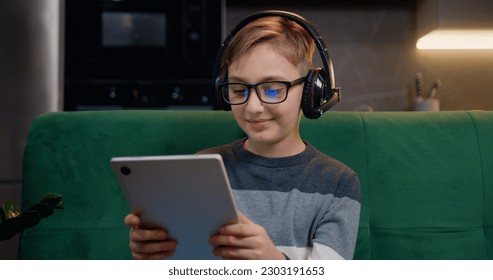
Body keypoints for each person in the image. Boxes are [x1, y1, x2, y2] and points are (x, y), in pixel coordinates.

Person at [124, 11, 361, 260]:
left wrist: (271, 261)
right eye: (238, 90)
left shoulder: (338, 184)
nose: (252, 108)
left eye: (271, 90)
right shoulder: (201, 168)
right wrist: (153, 255)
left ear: (311, 91)